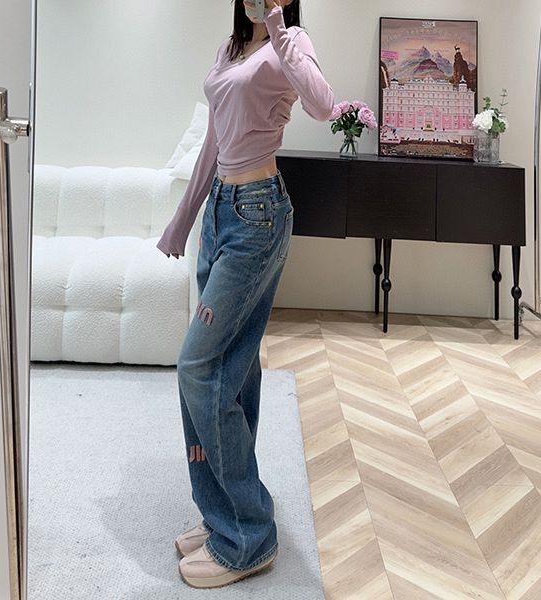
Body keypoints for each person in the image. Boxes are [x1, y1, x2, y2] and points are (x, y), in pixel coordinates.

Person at [157, 0, 334, 589]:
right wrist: (184, 218)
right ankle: (223, 514)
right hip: (220, 211)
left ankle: (250, 535)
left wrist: (280, 30)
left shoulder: (291, 42)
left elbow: (323, 105)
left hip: (258, 214)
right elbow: (213, 139)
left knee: (196, 367)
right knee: (232, 367)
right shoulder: (230, 48)